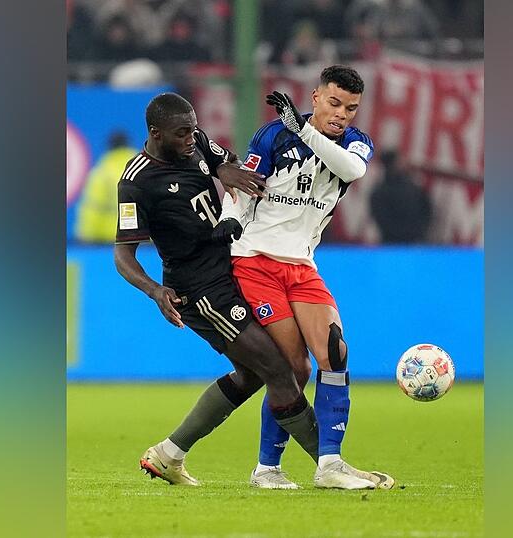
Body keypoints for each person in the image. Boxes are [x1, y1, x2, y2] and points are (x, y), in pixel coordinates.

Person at [114, 93, 323, 487]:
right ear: (156, 133)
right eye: (181, 133)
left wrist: (225, 170)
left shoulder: (194, 141)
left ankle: (169, 454)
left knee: (256, 373)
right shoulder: (136, 181)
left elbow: (225, 161)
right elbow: (123, 255)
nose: (191, 138)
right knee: (279, 368)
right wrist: (155, 291)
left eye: (193, 130)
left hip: (232, 268)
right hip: (199, 290)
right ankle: (328, 463)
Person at [215, 66, 395, 490]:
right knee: (293, 368)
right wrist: (229, 218)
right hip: (256, 260)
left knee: (334, 352)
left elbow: (352, 171)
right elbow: (244, 184)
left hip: (302, 265)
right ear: (315, 97)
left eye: (351, 108)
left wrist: (305, 130)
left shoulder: (355, 144)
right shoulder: (273, 135)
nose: (342, 114)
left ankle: (329, 465)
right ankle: (267, 468)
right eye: (334, 103)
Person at [74, 131, 136, 244]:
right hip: (143, 239)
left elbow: (92, 208)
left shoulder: (102, 172)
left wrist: (86, 236)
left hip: (110, 239)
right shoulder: (145, 169)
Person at [369, 150, 433, 243]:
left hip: (413, 241)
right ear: (391, 165)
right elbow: (383, 220)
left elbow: (426, 209)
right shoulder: (380, 192)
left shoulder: (414, 188)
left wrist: (420, 231)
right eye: (399, 161)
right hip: (393, 242)